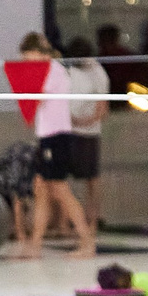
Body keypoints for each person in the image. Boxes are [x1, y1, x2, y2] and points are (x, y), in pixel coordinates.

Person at [17, 34, 94, 259]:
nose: (27, 64)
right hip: (47, 137)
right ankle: (35, 246)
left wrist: (22, 83)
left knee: (60, 190)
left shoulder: (54, 71)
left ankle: (87, 241)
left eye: (29, 59)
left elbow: (37, 98)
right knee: (40, 189)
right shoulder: (47, 71)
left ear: (39, 54)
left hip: (57, 137)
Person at [64, 37, 109, 233]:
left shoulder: (98, 73)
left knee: (91, 179)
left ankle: (93, 220)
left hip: (89, 133)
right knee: (60, 179)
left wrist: (83, 121)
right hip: (67, 131)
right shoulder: (69, 69)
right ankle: (65, 222)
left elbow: (102, 109)